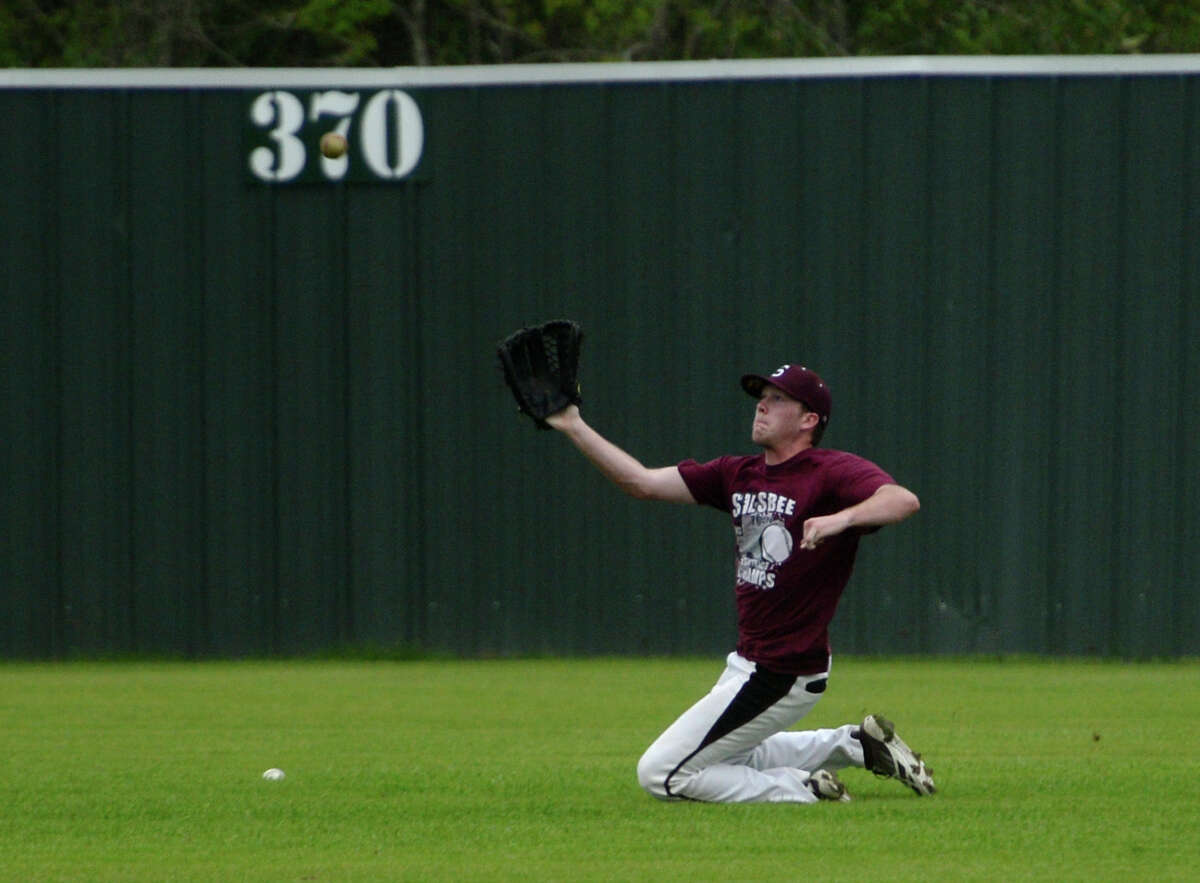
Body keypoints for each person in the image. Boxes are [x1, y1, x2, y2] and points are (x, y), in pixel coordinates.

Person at [543, 363, 935, 803]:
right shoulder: (736, 474)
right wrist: (572, 425)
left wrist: (840, 518)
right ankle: (855, 745)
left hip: (784, 671)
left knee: (661, 774)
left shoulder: (829, 472)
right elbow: (641, 482)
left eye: (779, 398)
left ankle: (802, 789)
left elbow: (902, 500)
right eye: (761, 396)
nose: (762, 405)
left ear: (809, 420)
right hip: (748, 663)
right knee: (723, 757)